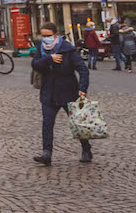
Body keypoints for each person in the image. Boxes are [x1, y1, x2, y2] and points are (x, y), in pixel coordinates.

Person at [31, 22, 91, 165]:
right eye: (43, 36)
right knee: (47, 123)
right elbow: (35, 64)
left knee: (77, 122)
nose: (45, 38)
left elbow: (83, 70)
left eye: (48, 36)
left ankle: (86, 149)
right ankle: (47, 153)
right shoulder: (41, 49)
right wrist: (49, 59)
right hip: (48, 92)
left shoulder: (67, 49)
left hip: (68, 91)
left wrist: (83, 88)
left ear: (55, 35)